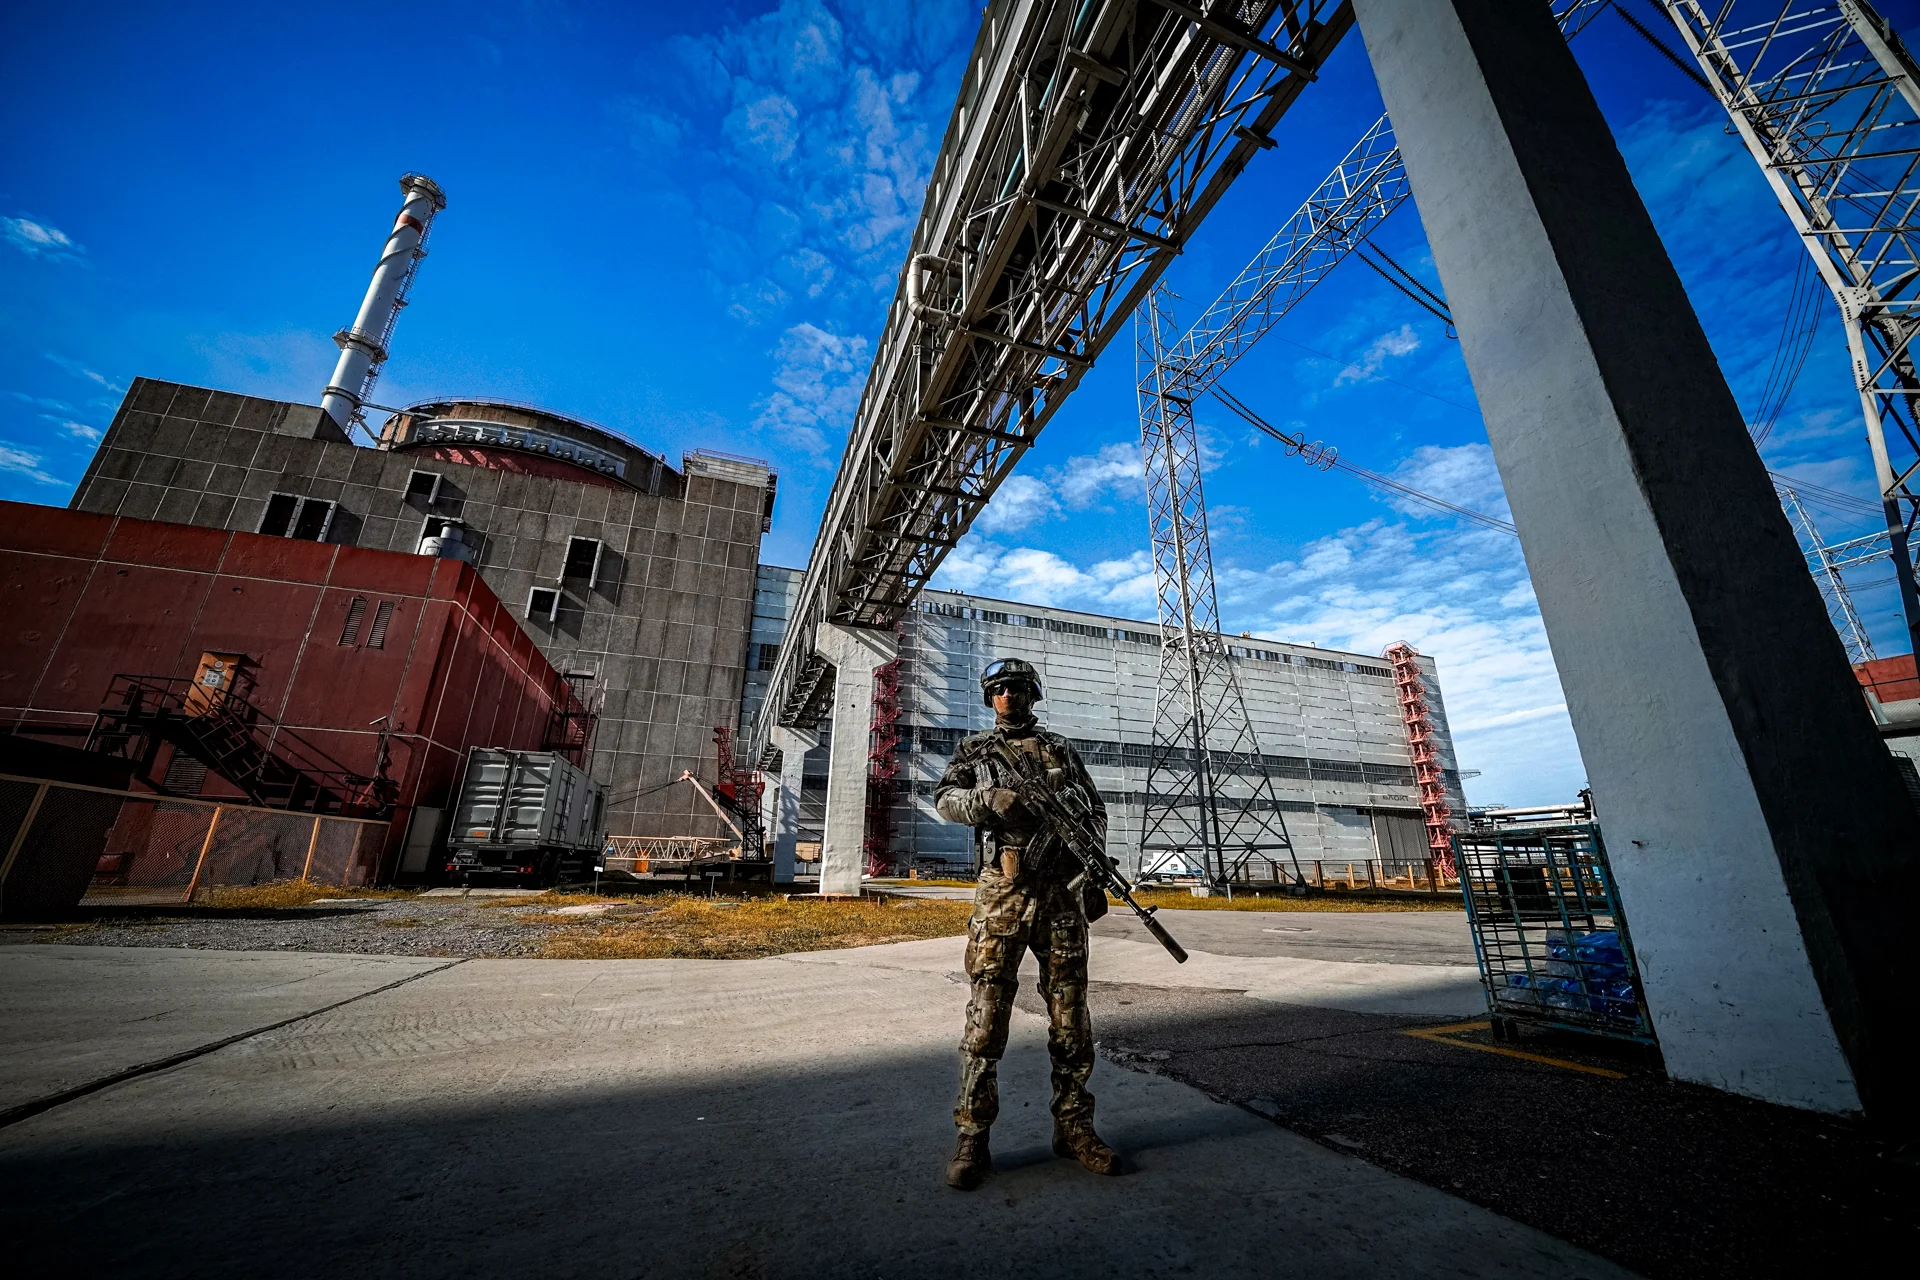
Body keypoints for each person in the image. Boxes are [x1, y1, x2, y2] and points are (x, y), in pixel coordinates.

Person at [933, 657, 1118, 1190]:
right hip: (1003, 898)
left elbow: (1094, 812)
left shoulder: (1061, 749)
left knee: (1071, 1021)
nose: (1007, 695)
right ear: (990, 698)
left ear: (1033, 694)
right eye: (998, 689)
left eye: (1016, 688)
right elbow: (944, 800)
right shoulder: (975, 751)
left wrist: (1093, 865)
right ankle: (972, 1138)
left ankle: (1075, 1129)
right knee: (986, 1021)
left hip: (1061, 898)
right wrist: (985, 799)